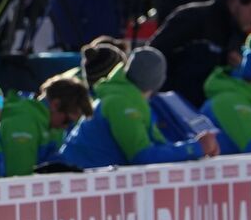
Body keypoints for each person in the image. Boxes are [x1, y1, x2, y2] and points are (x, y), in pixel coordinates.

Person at [59, 47, 220, 168]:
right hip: (77, 184)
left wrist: (194, 147)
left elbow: (156, 146)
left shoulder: (127, 98)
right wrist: (195, 148)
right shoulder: (120, 103)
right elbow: (142, 156)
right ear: (158, 82)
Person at [150, 0, 251, 109]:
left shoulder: (239, 38)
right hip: (174, 108)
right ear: (240, 1)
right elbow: (153, 55)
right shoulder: (194, 18)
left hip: (207, 113)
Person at [0, 74, 93, 176]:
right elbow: (18, 178)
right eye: (67, 121)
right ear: (55, 104)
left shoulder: (52, 126)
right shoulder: (23, 123)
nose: (65, 127)